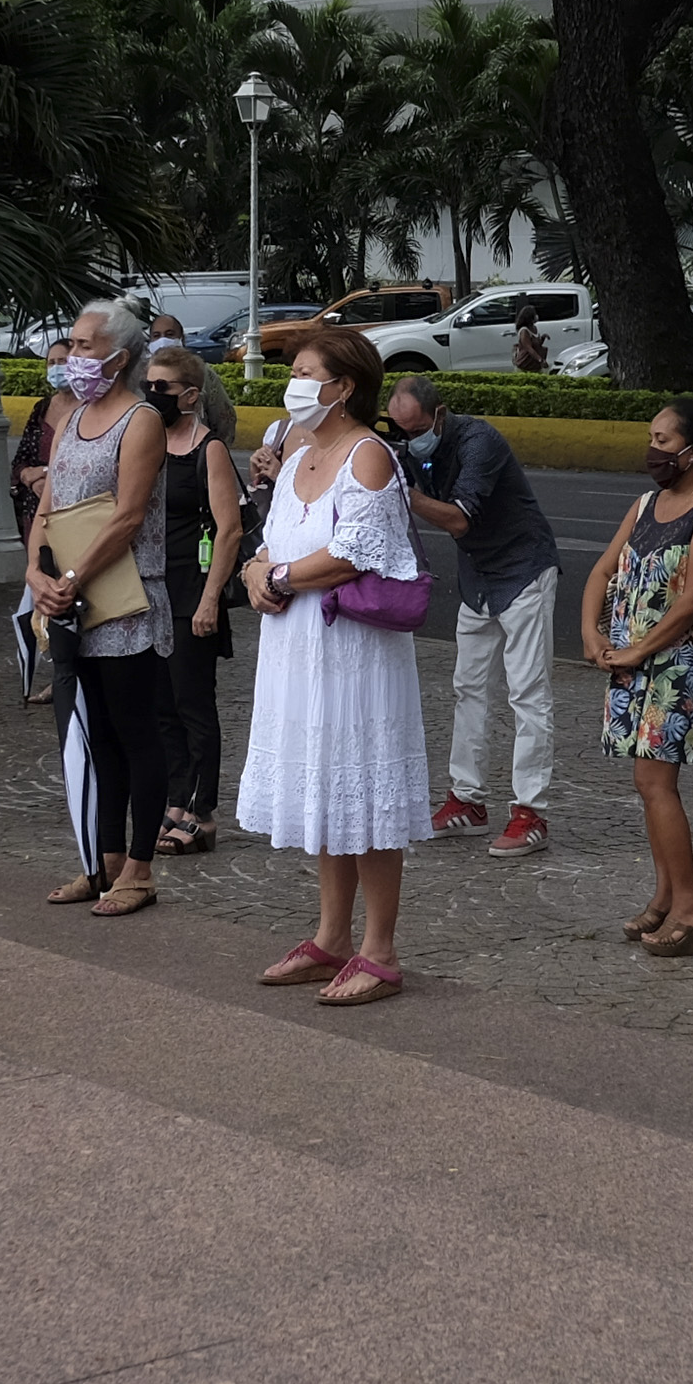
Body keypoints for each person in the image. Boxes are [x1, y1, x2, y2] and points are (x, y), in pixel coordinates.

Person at [235, 328, 430, 1005]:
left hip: (352, 653)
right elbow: (273, 534)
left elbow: (354, 551)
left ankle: (380, 947)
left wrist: (281, 574)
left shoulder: (368, 456)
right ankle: (330, 936)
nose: (293, 381)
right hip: (297, 646)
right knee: (325, 787)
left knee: (363, 789)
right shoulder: (295, 453)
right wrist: (257, 567)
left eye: (305, 371)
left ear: (343, 387)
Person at [582, 401, 693, 956]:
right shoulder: (645, 504)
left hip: (680, 668)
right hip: (637, 664)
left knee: (656, 785)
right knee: (647, 785)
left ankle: (692, 908)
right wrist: (592, 633)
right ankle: (664, 896)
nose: (653, 450)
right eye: (651, 438)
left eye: (663, 440)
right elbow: (603, 570)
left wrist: (636, 652)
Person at [33, 299, 182, 914]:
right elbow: (49, 502)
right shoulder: (71, 416)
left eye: (86, 345)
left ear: (119, 357)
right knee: (93, 736)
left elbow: (128, 514)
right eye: (72, 343)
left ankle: (140, 870)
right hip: (72, 598)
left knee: (134, 732)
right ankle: (105, 861)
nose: (74, 356)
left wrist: (71, 575)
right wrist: (35, 574)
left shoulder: (140, 419)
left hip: (124, 598)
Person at [389, 373, 562, 858]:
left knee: (528, 693)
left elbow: (460, 517)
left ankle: (531, 812)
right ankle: (467, 800)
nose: (407, 440)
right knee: (468, 689)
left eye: (415, 429)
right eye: (398, 431)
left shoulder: (478, 441)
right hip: (478, 580)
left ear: (439, 415)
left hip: (524, 570)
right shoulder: (405, 450)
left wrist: (400, 490)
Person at [148, 339, 247, 855]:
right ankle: (173, 798)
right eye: (147, 385)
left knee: (193, 704)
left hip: (192, 588)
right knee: (161, 704)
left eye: (161, 387)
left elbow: (228, 530)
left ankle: (201, 810)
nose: (151, 394)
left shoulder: (209, 450)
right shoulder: (145, 441)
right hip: (150, 590)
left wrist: (211, 600)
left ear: (188, 396)